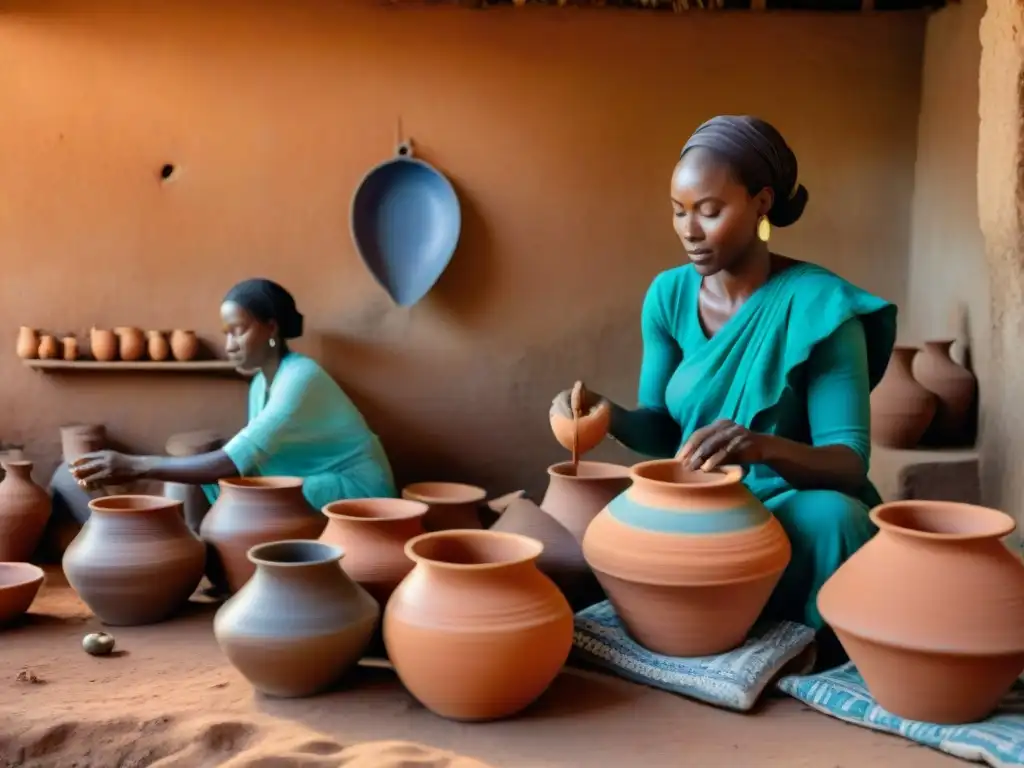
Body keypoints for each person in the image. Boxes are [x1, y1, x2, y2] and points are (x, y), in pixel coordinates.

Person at [552, 115, 896, 638]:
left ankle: (806, 645)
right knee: (614, 527)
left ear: (761, 202)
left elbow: (848, 464)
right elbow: (666, 430)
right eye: (679, 212)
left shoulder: (820, 307)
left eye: (710, 212)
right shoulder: (668, 297)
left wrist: (761, 447)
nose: (690, 231)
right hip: (699, 502)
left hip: (787, 508)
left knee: (837, 520)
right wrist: (608, 415)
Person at [71, 278, 397, 516]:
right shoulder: (260, 385)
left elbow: (231, 461)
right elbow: (243, 461)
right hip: (318, 483)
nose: (229, 345)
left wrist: (136, 465)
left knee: (242, 491)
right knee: (219, 483)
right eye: (226, 333)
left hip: (359, 494)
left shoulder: (301, 378)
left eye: (238, 330)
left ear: (271, 329)